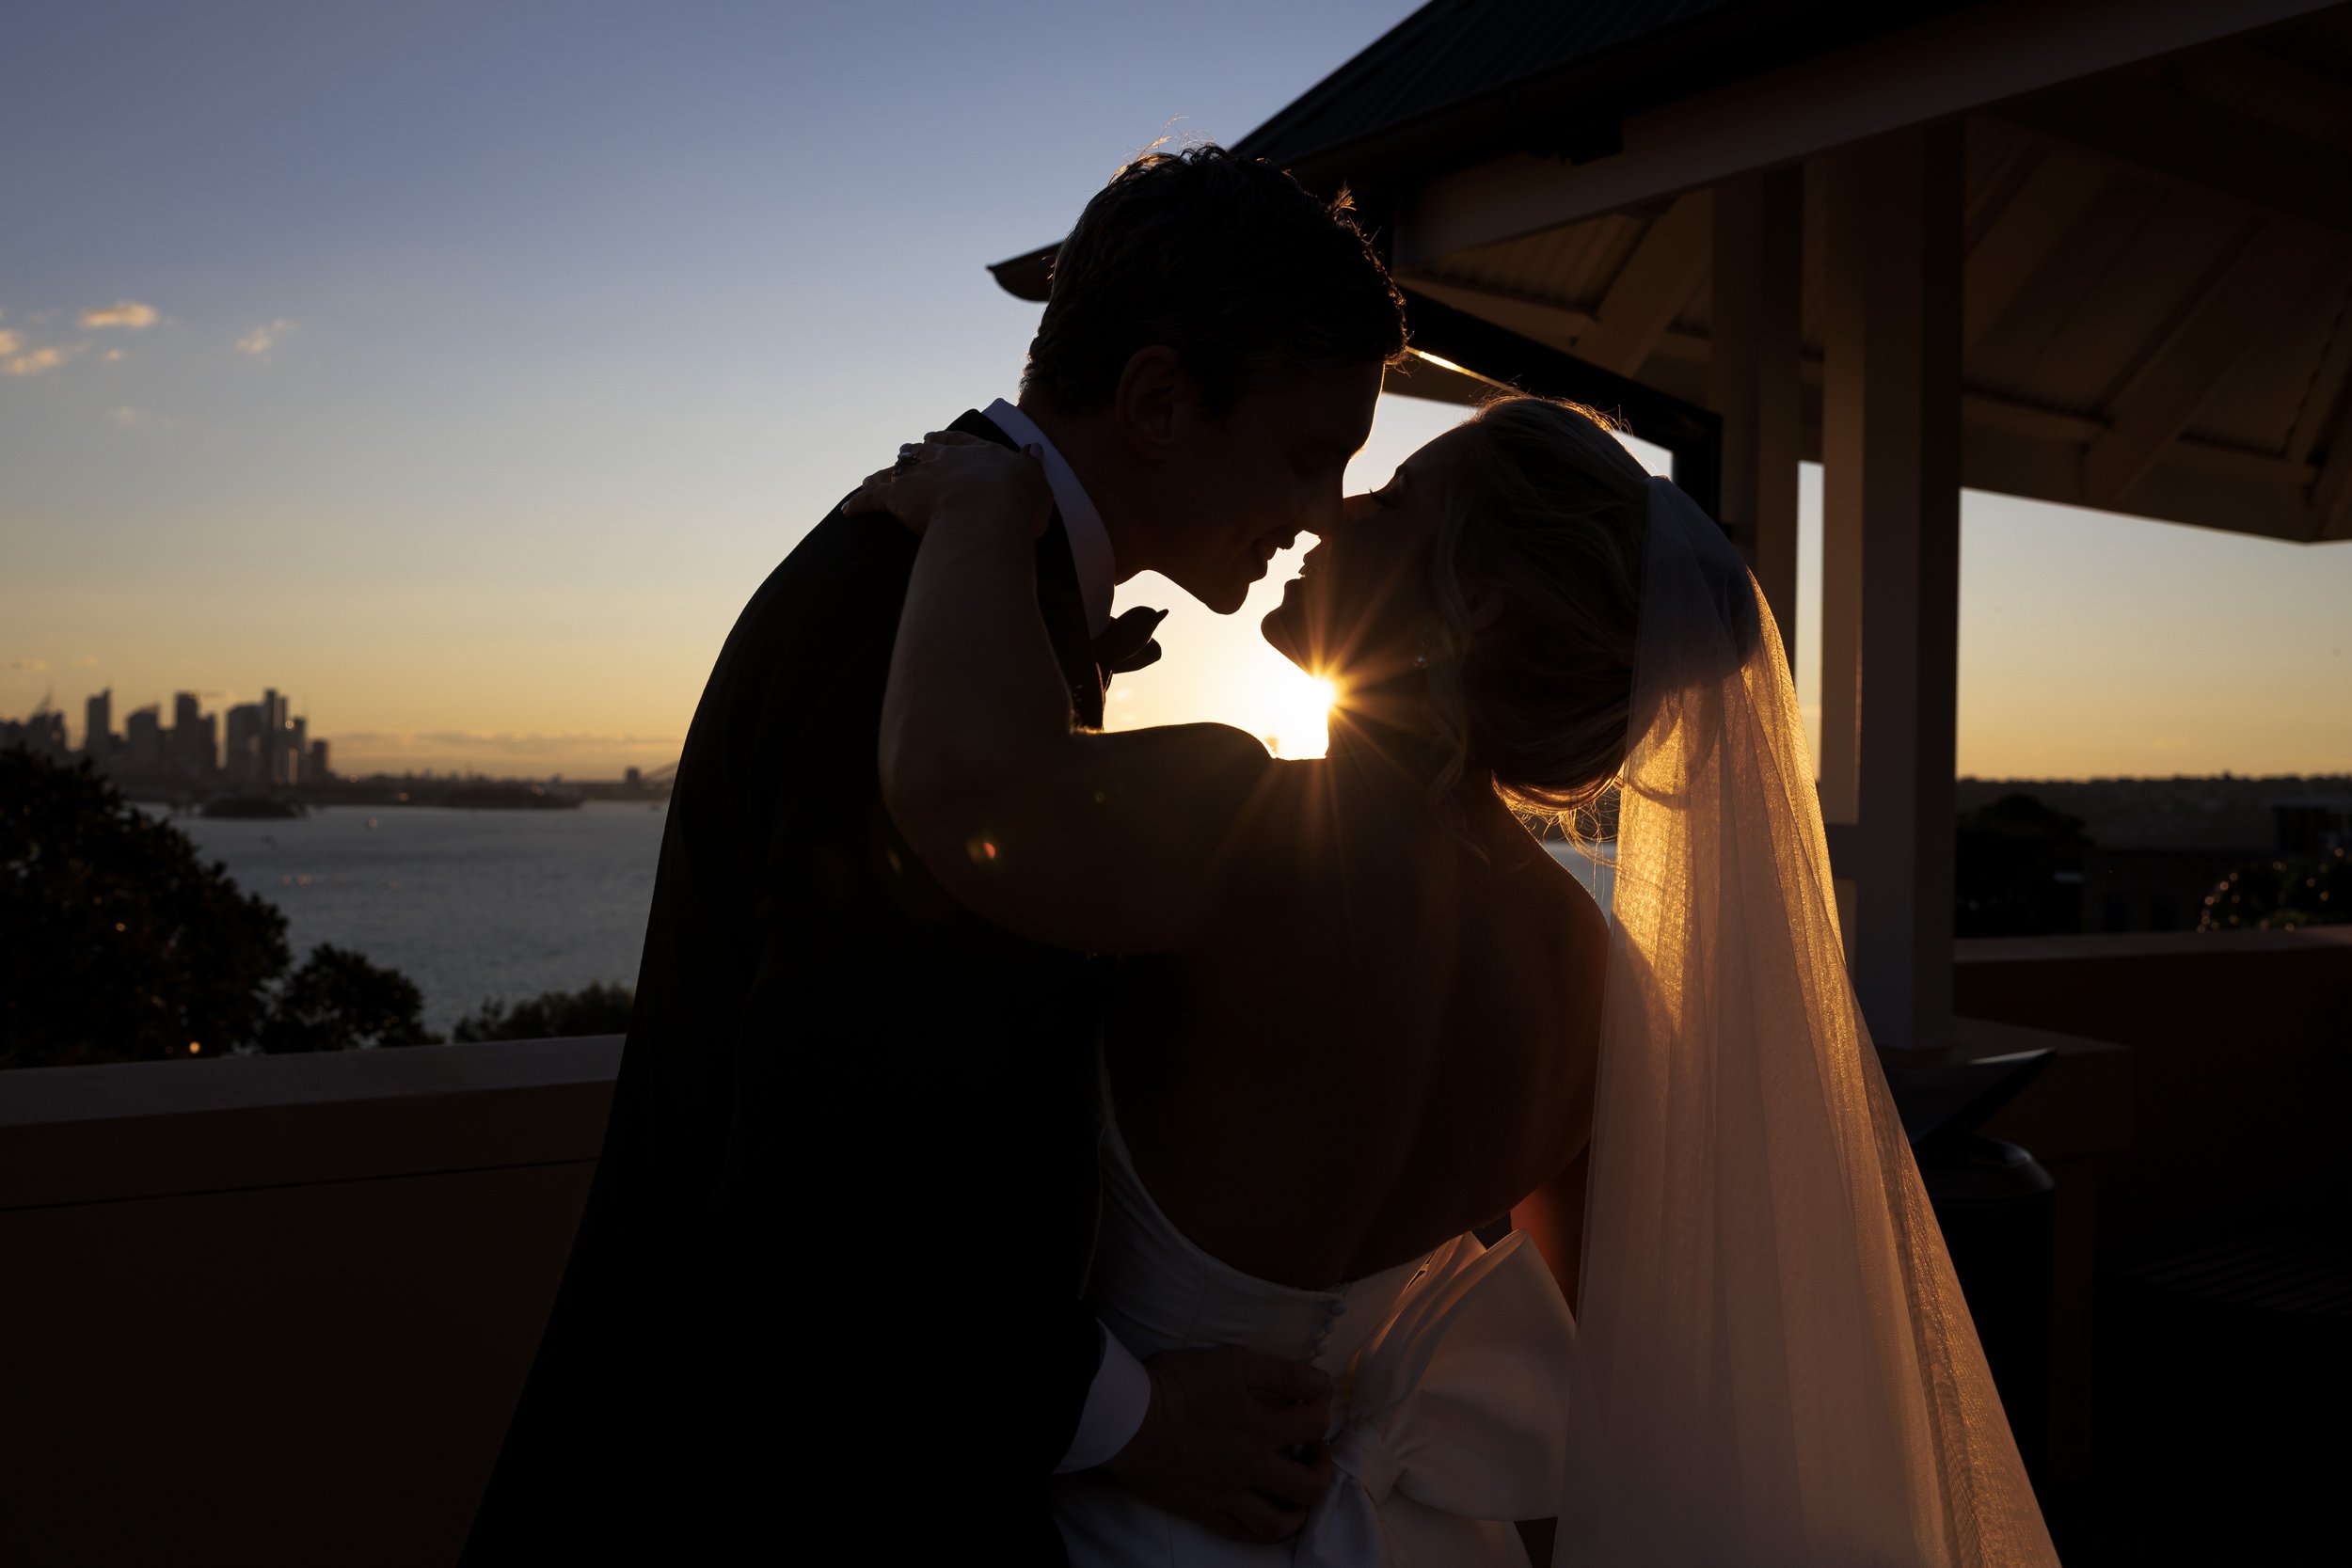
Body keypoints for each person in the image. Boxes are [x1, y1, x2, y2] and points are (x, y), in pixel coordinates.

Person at [859, 395, 2061, 1566]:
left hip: (1127, 1511)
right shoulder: (1583, 965)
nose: (1332, 513)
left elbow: (953, 774)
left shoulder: (1244, 825)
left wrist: (980, 510)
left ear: (1471, 601)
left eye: (1390, 499)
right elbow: (1610, 1328)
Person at [459, 146, 1406, 1564]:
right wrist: (1131, 1416)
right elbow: (832, 1174)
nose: (1324, 508)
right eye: (1306, 454)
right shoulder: (905, 619)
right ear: (1158, 401)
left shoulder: (956, 584)